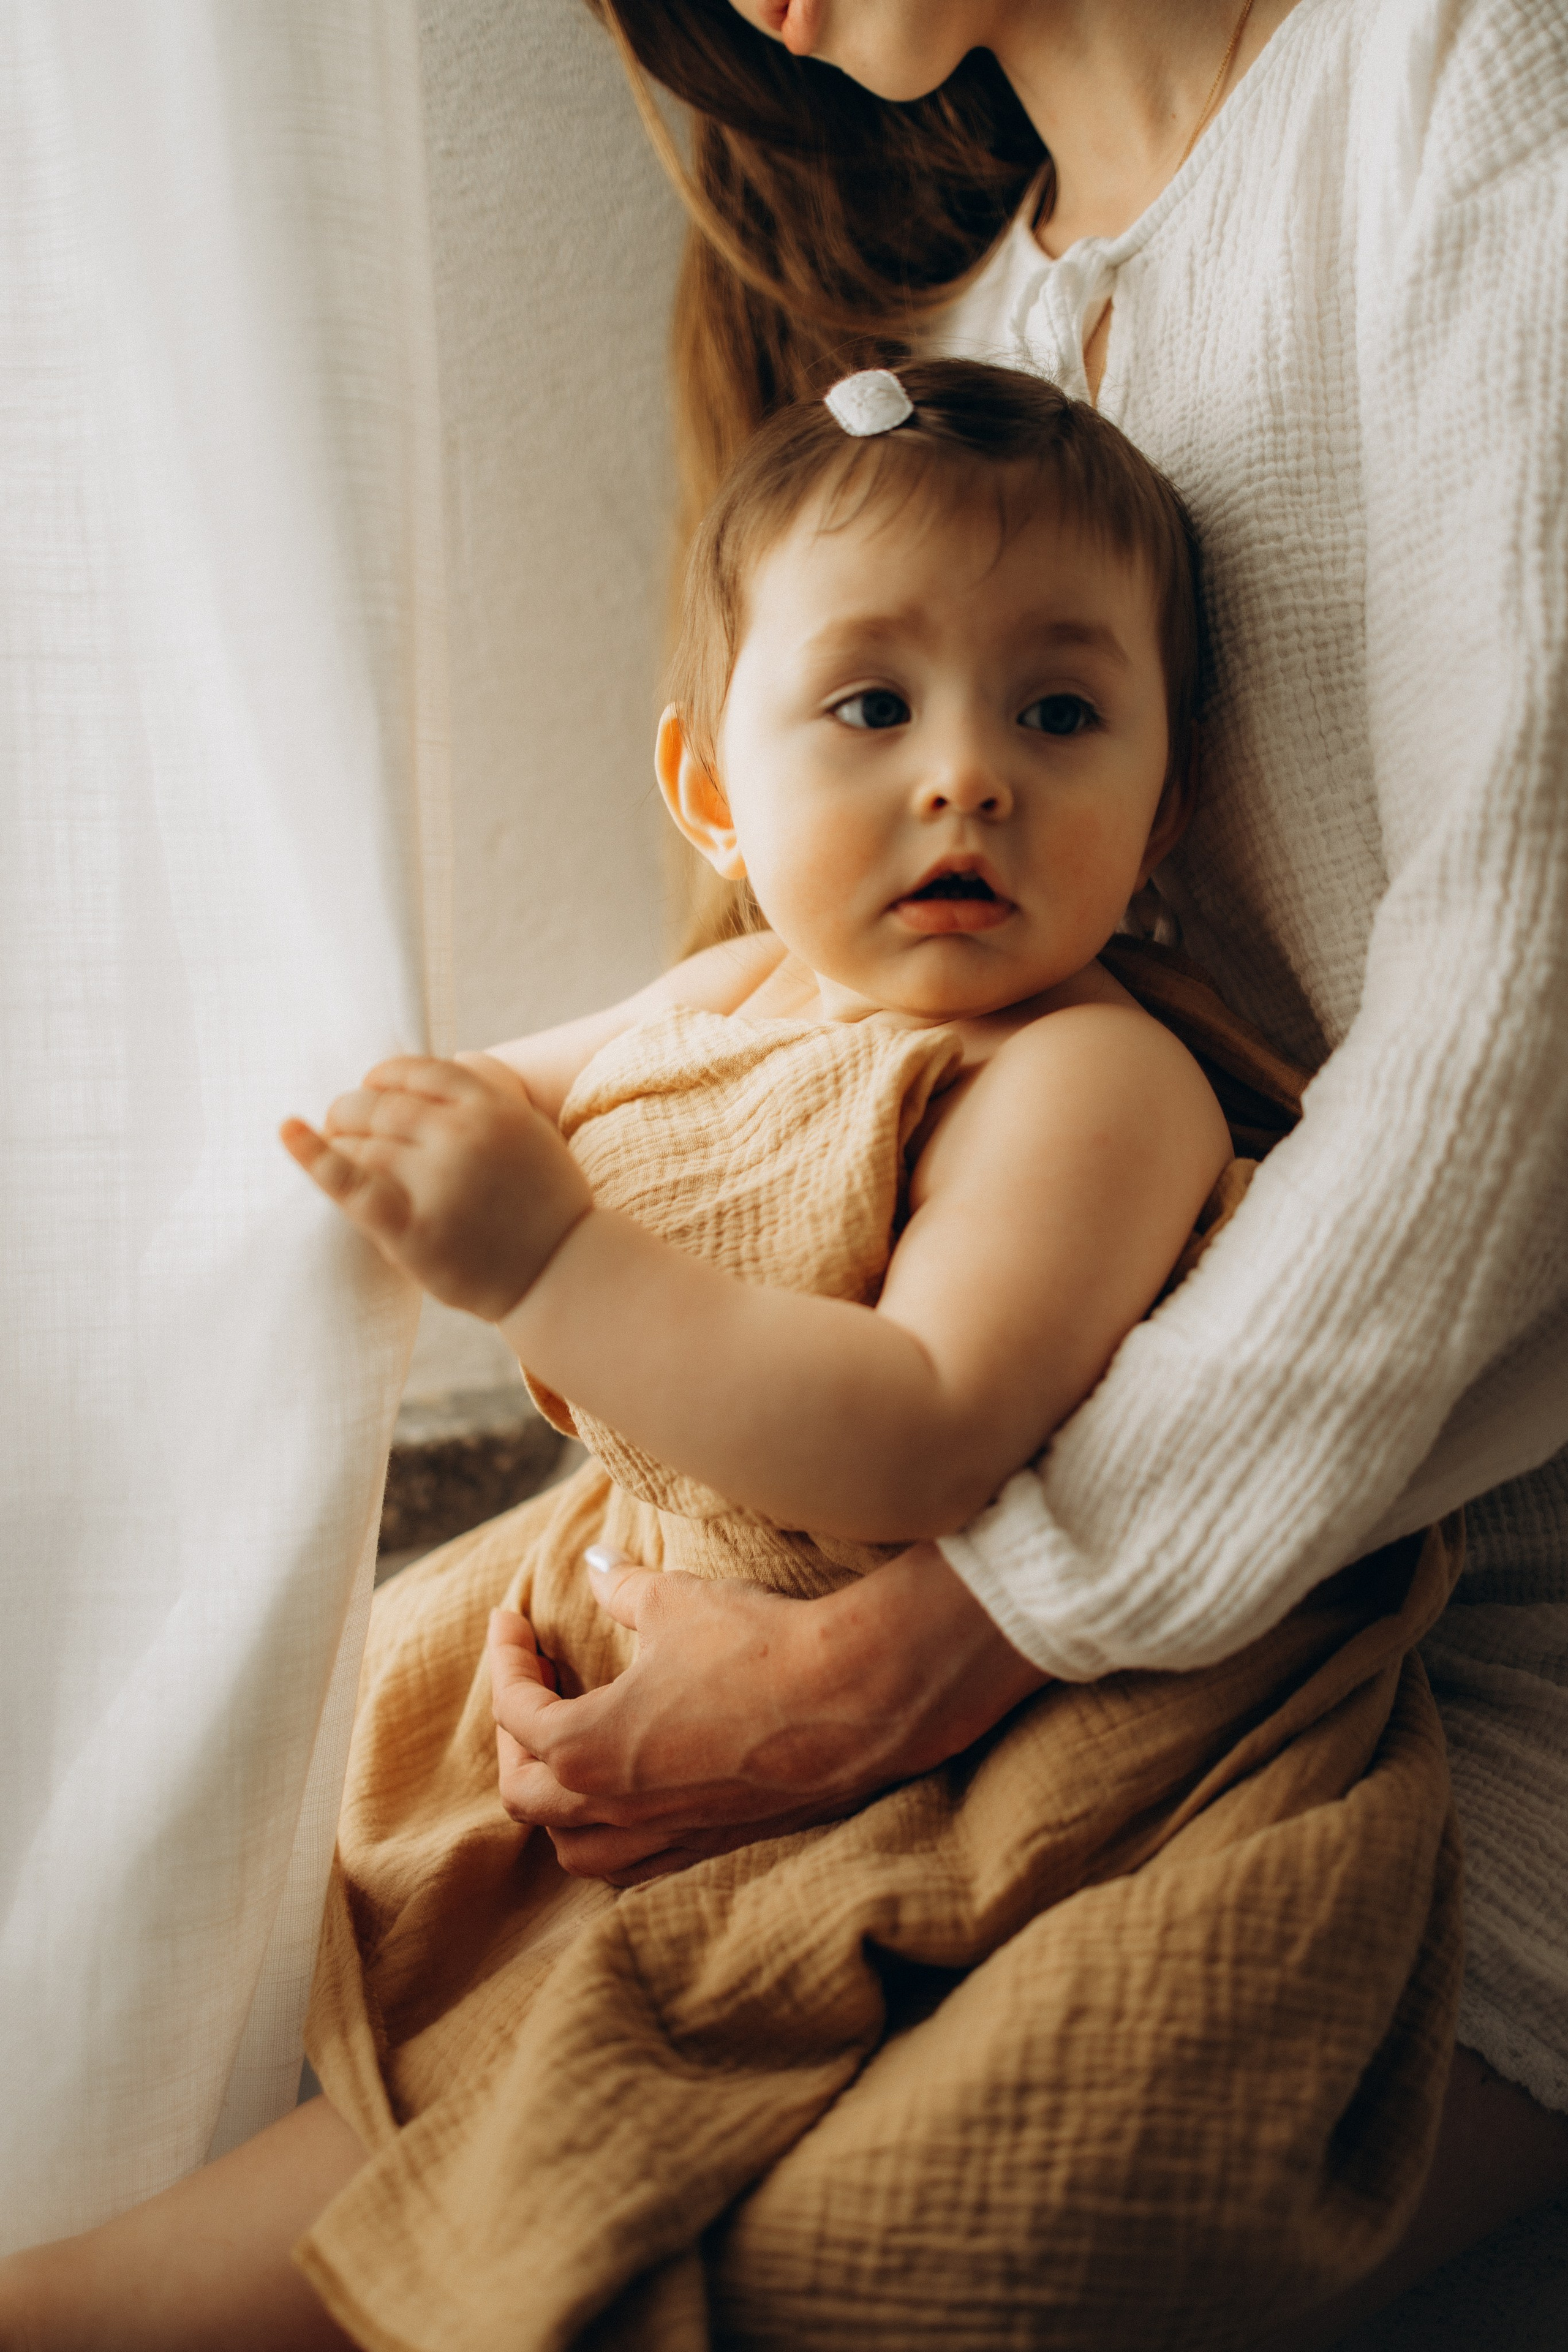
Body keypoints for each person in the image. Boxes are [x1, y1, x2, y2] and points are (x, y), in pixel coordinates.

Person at [0, 363, 1460, 2349]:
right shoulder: (731, 990)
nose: (969, 777)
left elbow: (921, 1437)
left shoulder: (1096, 1080)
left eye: (1060, 711)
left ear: (1168, 797)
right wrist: (311, 1172)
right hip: (655, 1600)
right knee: (334, 1851)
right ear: (712, 787)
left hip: (978, 1737)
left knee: (566, 2063)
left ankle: (107, 2309)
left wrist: (550, 1262)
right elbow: (490, 1120)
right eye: (873, 707)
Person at [472, 0, 1568, 2335]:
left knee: (848, 2267)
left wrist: (935, 1645)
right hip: (1095, 1603)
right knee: (472, 2021)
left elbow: (1527, 1013)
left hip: (1482, 1633)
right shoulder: (972, 367)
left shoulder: (1463, 74)